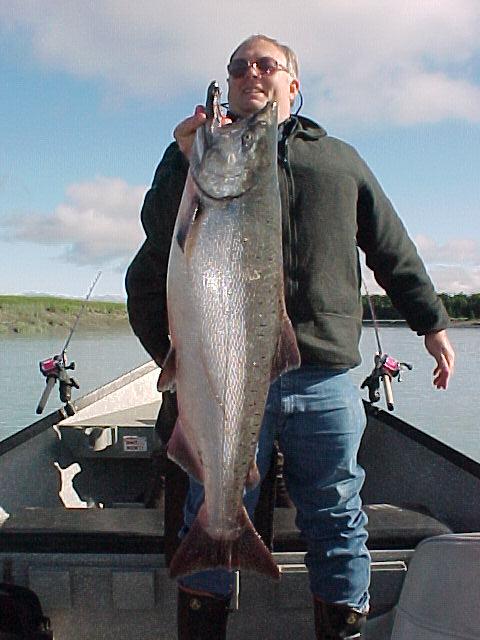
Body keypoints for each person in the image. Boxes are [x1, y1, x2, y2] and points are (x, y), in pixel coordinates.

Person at [126, 34, 455, 640]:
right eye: (238, 66)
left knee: (335, 512)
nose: (251, 72)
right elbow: (157, 235)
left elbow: (390, 247)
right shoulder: (196, 154)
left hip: (323, 373)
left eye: (265, 64)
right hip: (224, 372)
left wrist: (431, 322)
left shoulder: (339, 160)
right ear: (226, 85)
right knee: (212, 501)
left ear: (293, 84)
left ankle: (343, 630)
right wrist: (180, 157)